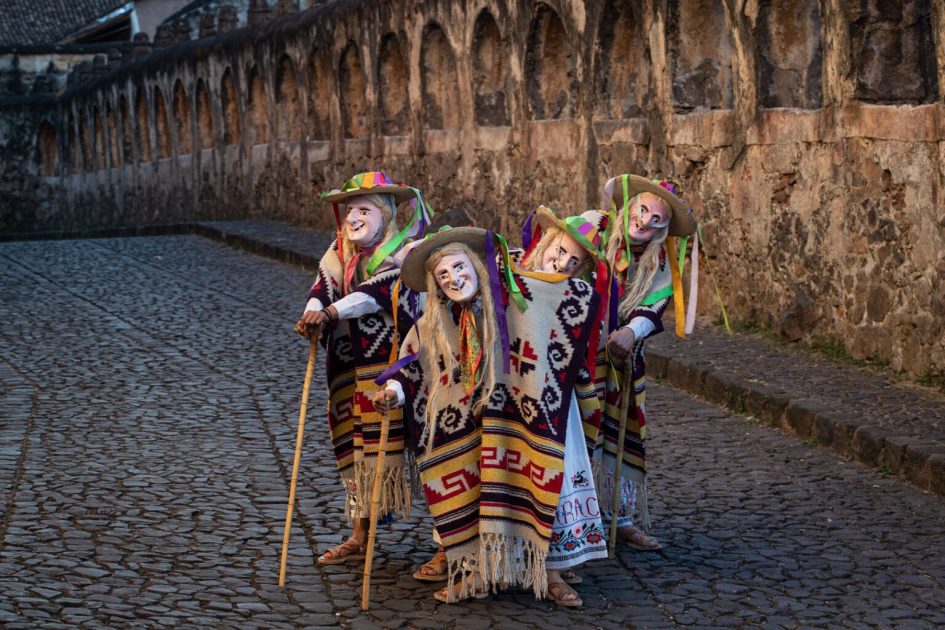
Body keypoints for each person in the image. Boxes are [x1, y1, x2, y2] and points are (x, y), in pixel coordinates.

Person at [372, 227, 601, 603]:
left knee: (545, 483)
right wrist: (392, 393)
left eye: (459, 267)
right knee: (477, 486)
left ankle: (551, 573)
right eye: (443, 276)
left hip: (530, 412)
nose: (454, 279)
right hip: (474, 422)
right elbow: (411, 365)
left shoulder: (515, 297)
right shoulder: (435, 323)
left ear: (476, 265)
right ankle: (478, 573)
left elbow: (571, 295)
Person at [295, 171, 431, 566]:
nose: (354, 217)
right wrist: (313, 312)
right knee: (358, 448)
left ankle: (448, 543)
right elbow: (324, 287)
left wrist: (334, 311)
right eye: (351, 209)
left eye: (364, 209)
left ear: (385, 214)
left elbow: (377, 292)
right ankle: (360, 532)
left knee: (427, 447)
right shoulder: (340, 250)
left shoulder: (407, 251)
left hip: (403, 365)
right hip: (351, 367)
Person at [598, 174, 698, 552]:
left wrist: (631, 333)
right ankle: (576, 514)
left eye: (658, 219)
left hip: (623, 361)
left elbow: (656, 304)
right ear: (630, 206)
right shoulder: (595, 231)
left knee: (622, 429)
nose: (645, 222)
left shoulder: (658, 261)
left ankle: (620, 516)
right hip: (576, 354)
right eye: (643, 211)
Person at [519, 206, 611, 606]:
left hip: (556, 403)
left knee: (554, 473)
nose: (562, 263)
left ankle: (553, 570)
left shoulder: (580, 295)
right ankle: (488, 562)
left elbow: (574, 350)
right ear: (545, 242)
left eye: (574, 262)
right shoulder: (512, 279)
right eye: (559, 251)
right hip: (511, 400)